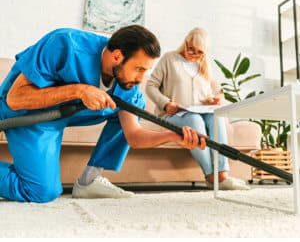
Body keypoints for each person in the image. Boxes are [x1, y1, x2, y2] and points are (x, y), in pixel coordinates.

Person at [0, 25, 206, 203]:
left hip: (64, 113)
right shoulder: (65, 44)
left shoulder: (129, 85)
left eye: (146, 71)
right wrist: (80, 90)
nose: (141, 79)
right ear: (117, 56)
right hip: (28, 110)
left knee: (129, 106)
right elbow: (15, 98)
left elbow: (133, 135)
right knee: (42, 192)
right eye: (139, 69)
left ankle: (89, 180)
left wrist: (173, 136)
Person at [146, 27, 249, 190]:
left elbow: (216, 93)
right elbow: (151, 86)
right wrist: (166, 103)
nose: (192, 54)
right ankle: (210, 175)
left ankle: (222, 175)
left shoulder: (205, 65)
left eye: (199, 52)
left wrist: (215, 99)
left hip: (201, 112)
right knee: (194, 119)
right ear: (186, 42)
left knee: (217, 116)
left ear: (205, 53)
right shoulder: (170, 59)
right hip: (174, 115)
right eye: (190, 48)